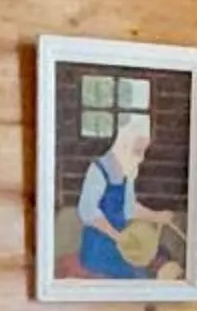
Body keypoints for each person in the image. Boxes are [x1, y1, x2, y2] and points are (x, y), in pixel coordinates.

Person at [75, 114, 180, 279]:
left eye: (143, 151)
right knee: (137, 275)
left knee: (161, 254)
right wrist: (117, 236)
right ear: (124, 143)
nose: (141, 157)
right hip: (100, 246)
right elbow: (87, 211)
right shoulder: (99, 169)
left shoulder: (127, 170)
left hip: (123, 240)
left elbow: (129, 208)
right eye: (138, 150)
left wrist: (156, 216)